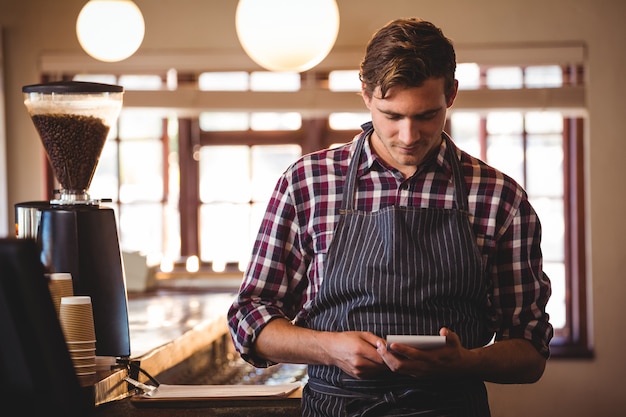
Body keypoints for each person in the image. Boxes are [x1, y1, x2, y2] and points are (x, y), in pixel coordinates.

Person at [227, 17, 553, 417]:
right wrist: (329, 348)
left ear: (451, 94)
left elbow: (530, 352)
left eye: (427, 115)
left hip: (449, 407)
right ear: (365, 94)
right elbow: (250, 319)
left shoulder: (499, 198)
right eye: (392, 116)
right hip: (335, 406)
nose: (409, 136)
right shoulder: (306, 183)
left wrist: (466, 362)